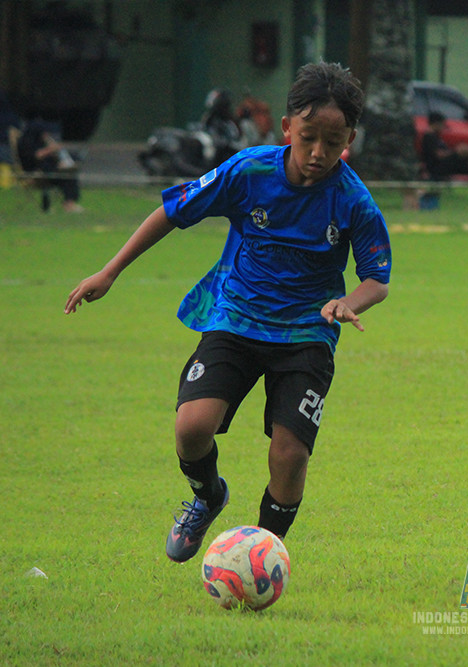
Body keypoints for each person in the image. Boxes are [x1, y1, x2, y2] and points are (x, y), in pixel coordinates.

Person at [64, 62, 392, 563]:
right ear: (287, 129)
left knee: (290, 453)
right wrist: (109, 272)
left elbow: (377, 278)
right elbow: (173, 212)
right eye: (308, 138)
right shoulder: (249, 171)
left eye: (333, 141)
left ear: (350, 137)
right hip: (235, 319)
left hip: (308, 331)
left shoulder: (353, 200)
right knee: (191, 428)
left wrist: (349, 302)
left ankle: (260, 553)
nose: (319, 153)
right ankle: (208, 495)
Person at [15, 118, 84, 213]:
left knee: (68, 174)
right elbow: (37, 155)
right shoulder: (26, 142)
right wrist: (51, 149)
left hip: (47, 169)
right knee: (66, 176)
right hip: (35, 172)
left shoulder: (38, 141)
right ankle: (69, 204)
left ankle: (69, 202)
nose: (46, 135)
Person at [421, 111, 468, 202]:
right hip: (438, 166)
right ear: (436, 124)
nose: (443, 127)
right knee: (465, 150)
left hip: (444, 164)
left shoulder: (436, 136)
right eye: (442, 125)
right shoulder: (429, 137)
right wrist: (454, 152)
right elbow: (438, 155)